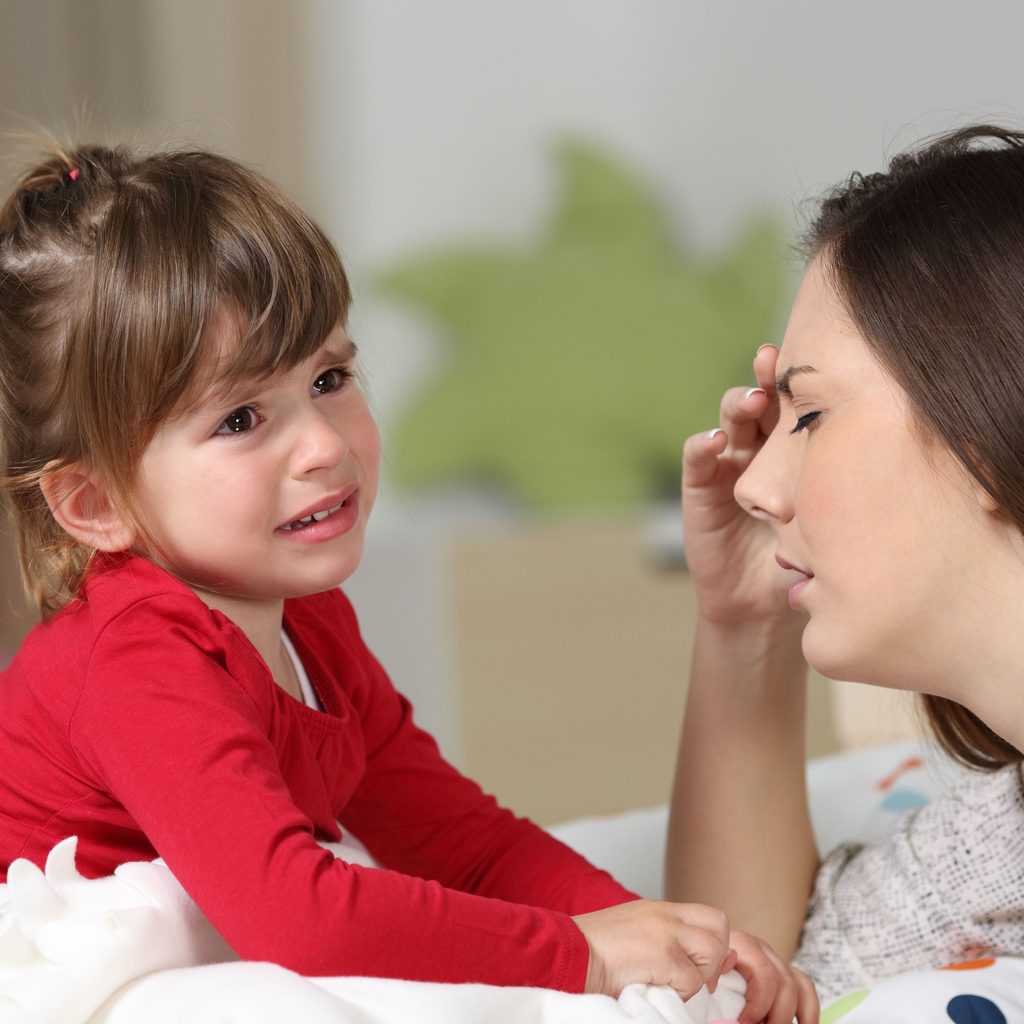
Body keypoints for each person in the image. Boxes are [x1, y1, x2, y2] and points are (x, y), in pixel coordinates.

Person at [0, 142, 813, 1022]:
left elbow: (456, 841)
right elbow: (299, 917)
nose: (323, 444)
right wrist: (582, 958)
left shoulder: (309, 622)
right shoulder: (134, 659)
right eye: (240, 418)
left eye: (330, 378)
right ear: (91, 504)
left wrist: (660, 936)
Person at [667, 124, 1024, 1002]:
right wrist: (745, 621)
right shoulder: (998, 838)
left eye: (812, 415)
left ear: (987, 417)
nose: (755, 482)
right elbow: (750, 984)